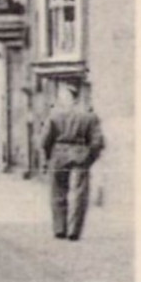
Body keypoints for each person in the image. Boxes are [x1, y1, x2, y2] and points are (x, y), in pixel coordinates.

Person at [41, 82, 106, 240]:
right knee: (79, 193)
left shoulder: (54, 115)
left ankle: (59, 228)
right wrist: (89, 157)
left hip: (59, 154)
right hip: (80, 154)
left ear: (64, 98)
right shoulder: (89, 116)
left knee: (57, 191)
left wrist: (48, 156)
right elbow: (98, 142)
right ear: (77, 97)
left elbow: (44, 140)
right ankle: (74, 231)